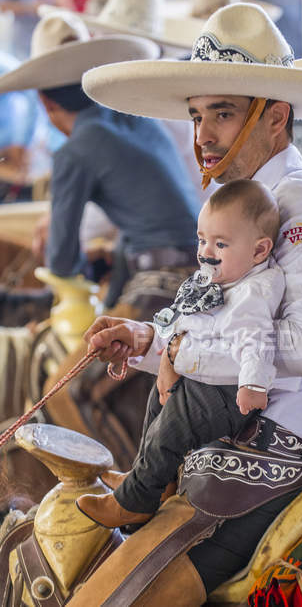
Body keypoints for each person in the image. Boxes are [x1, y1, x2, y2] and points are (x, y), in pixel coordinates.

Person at [79, 2, 302, 601]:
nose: (202, 135)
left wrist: (183, 353)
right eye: (197, 115)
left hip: (269, 448)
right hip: (232, 431)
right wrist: (147, 341)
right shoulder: (247, 201)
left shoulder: (300, 208)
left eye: (222, 113)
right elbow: (229, 322)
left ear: (275, 117)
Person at [76, 178, 285, 527]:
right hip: (201, 379)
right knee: (156, 409)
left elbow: (256, 342)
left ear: (259, 251)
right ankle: (149, 482)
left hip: (227, 391)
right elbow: (181, 321)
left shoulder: (253, 292)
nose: (206, 252)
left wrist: (252, 384)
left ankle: (135, 501)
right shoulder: (220, 279)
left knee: (172, 424)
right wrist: (157, 341)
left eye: (221, 244)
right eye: (202, 240)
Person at [0, 11, 199, 306]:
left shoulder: (76, 150)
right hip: (198, 266)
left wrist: (78, 261)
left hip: (163, 280)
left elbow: (61, 263)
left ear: (45, 101)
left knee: (87, 349)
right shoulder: (134, 118)